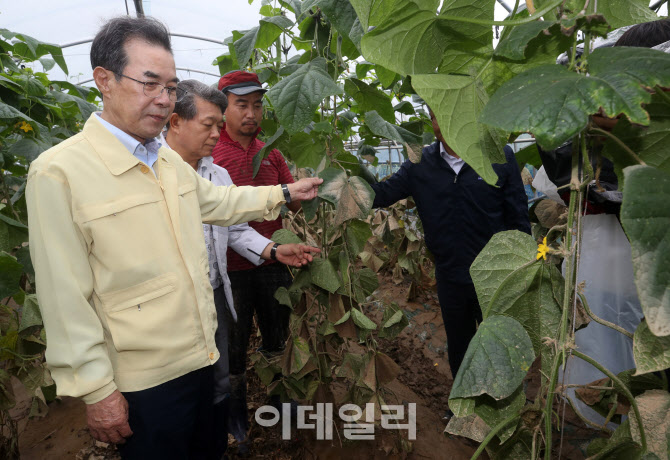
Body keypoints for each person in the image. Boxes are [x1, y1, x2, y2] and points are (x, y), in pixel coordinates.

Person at [26, 17, 321, 460]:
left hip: (202, 357)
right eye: (149, 84)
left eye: (169, 87)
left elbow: (217, 203)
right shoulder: (59, 172)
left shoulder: (164, 160)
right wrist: (97, 390)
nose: (163, 101)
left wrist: (282, 193)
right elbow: (64, 297)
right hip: (143, 380)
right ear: (103, 80)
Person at [162, 79, 321, 456]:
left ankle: (224, 434)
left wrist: (273, 250)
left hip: (219, 284)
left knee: (227, 361)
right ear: (175, 122)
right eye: (210, 124)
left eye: (219, 125)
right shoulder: (152, 172)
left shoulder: (217, 173)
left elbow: (232, 225)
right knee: (184, 379)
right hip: (176, 296)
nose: (217, 133)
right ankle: (205, 428)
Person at [370, 109, 530, 389]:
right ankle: (465, 406)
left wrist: (523, 270)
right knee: (460, 343)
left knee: (501, 343)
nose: (443, 122)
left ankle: (503, 407)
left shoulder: (498, 155)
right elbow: (381, 195)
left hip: (496, 274)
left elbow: (518, 216)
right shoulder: (419, 163)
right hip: (450, 272)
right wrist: (341, 183)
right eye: (436, 115)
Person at [211, 70, 302, 447]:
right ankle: (236, 421)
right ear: (223, 109)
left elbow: (293, 201)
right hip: (230, 272)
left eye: (257, 105)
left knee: (277, 337)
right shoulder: (212, 155)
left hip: (273, 264)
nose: (251, 113)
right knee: (232, 348)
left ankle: (280, 406)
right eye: (241, 105)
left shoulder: (272, 153)